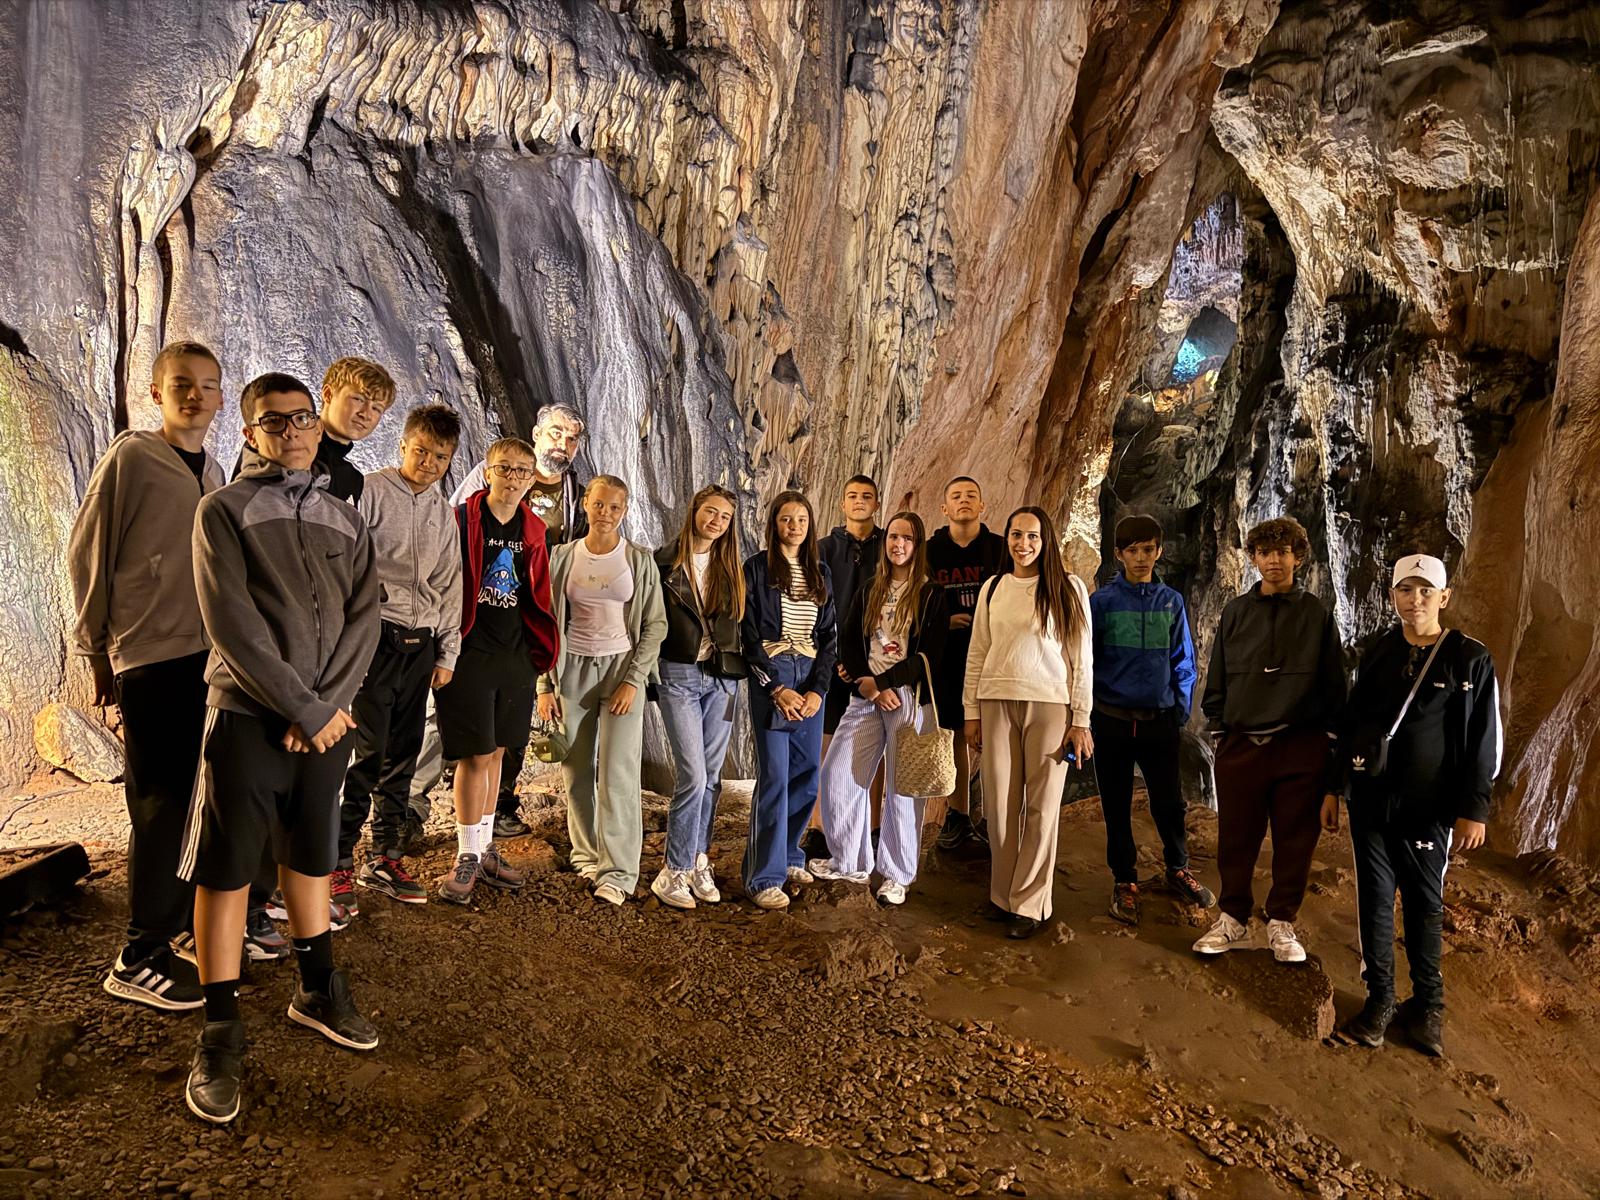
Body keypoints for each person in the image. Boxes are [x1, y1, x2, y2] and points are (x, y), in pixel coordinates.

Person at [180, 372, 382, 1125]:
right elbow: (231, 622)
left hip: (325, 721)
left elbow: (366, 615)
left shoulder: (345, 517)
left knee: (312, 853)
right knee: (229, 867)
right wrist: (301, 705)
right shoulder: (222, 511)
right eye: (275, 422)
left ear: (316, 427)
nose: (292, 432)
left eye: (302, 419)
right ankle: (220, 1030)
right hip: (246, 716)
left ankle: (317, 988)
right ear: (250, 433)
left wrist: (326, 707)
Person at [69, 340, 226, 1012]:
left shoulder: (212, 469)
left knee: (194, 797)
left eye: (207, 385)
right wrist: (95, 649)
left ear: (221, 398)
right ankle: (138, 954)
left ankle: (176, 926)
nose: (194, 395)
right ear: (157, 392)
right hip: (150, 654)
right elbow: (90, 550)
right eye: (181, 383)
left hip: (205, 657)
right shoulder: (132, 457)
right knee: (160, 802)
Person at [241, 357, 396, 947]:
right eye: (357, 399)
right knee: (262, 786)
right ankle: (250, 903)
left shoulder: (348, 479)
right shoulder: (277, 459)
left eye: (376, 408)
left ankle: (289, 891)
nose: (365, 414)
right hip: (274, 655)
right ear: (326, 394)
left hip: (325, 656)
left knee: (309, 789)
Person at [1327, 554, 1501, 1055]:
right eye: (1406, 589)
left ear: (1444, 597)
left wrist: (1474, 809)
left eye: (1426, 591)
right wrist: (1334, 788)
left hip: (1429, 809)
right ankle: (1380, 1000)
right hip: (1372, 802)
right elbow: (1352, 724)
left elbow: (1485, 740)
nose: (1415, 599)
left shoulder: (1469, 658)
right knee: (1374, 900)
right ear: (1392, 596)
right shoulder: (1379, 650)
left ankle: (1428, 1008)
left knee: (1425, 904)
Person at [414, 403, 588, 841]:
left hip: (521, 629)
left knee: (504, 736)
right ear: (536, 432)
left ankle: (496, 815)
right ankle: (413, 807)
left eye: (571, 438)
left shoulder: (573, 496)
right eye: (555, 433)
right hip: (469, 631)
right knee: (442, 725)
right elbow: (452, 543)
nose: (562, 444)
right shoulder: (479, 491)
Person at [1193, 516, 1346, 963]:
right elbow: (1218, 674)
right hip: (1242, 743)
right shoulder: (1235, 612)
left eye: (1282, 552)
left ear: (1298, 557)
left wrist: (1327, 743)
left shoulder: (1316, 615)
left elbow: (1334, 683)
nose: (1273, 560)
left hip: (1299, 743)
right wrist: (1220, 727)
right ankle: (1233, 918)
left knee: (1295, 839)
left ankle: (1281, 921)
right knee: (1236, 837)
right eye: (1264, 552)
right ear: (1253, 558)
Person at [333, 405, 463, 906]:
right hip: (374, 637)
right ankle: (338, 860)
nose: (429, 463)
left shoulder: (442, 512)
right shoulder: (369, 491)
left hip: (420, 641)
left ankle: (385, 856)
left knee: (403, 753)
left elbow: (450, 583)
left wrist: (447, 652)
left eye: (440, 457)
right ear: (403, 445)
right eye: (422, 451)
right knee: (365, 752)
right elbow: (346, 563)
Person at [432, 437, 559, 906]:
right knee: (474, 753)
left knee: (500, 751)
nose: (513, 477)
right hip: (469, 650)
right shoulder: (462, 520)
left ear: (531, 479)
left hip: (514, 653)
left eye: (522, 471)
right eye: (504, 468)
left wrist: (538, 656)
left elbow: (537, 592)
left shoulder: (533, 529)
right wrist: (442, 651)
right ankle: (466, 853)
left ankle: (484, 847)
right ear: (487, 473)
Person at [964, 506, 1094, 939]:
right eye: (1016, 535)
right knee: (999, 804)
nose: (1023, 544)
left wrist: (1081, 720)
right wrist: (970, 711)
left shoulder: (1067, 588)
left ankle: (1030, 903)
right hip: (996, 700)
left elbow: (1081, 658)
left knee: (1042, 805)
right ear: (1007, 539)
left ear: (1046, 540)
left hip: (1050, 704)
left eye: (1032, 536)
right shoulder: (993, 588)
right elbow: (978, 652)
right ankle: (1002, 896)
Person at [538, 476, 666, 905]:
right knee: (575, 768)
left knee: (618, 773)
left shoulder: (638, 561)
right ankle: (586, 854)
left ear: (624, 511)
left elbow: (655, 625)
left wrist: (634, 680)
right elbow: (546, 623)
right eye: (598, 504)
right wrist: (544, 685)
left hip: (620, 670)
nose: (605, 513)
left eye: (614, 507)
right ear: (585, 505)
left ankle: (619, 872)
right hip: (571, 668)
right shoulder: (562, 557)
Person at [811, 512, 949, 905]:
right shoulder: (871, 587)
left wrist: (886, 683)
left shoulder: (931, 593)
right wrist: (868, 684)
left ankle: (897, 874)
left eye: (907, 538)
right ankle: (850, 861)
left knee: (903, 789)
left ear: (917, 545)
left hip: (908, 696)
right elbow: (849, 637)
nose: (898, 544)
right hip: (866, 694)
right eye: (893, 537)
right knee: (838, 772)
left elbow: (930, 655)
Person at [1089, 513, 1210, 924]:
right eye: (1133, 550)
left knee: (1169, 802)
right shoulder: (1102, 604)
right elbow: (1087, 661)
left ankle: (1178, 867)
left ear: (1159, 552)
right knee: (1116, 803)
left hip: (1159, 719)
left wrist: (1179, 710)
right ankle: (1124, 880)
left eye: (1148, 549)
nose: (1140, 557)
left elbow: (1183, 660)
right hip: (1112, 719)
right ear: (1118, 554)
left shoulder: (1170, 602)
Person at [649, 485, 747, 910]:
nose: (716, 521)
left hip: (723, 680)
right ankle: (672, 871)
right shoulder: (663, 563)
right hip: (679, 675)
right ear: (694, 511)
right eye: (711, 512)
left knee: (712, 777)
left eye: (725, 517)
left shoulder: (731, 568)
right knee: (692, 775)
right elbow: (648, 621)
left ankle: (697, 860)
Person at [741, 491, 838, 911]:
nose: (794, 526)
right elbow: (747, 633)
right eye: (786, 519)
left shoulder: (820, 571)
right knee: (776, 777)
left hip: (810, 673)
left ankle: (789, 855)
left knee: (807, 774)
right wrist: (776, 689)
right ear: (774, 524)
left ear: (810, 524)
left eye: (801, 519)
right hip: (775, 674)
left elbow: (829, 636)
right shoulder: (757, 568)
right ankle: (763, 877)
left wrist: (818, 690)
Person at [926, 477, 1008, 851]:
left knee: (994, 735)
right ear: (945, 508)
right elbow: (914, 600)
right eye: (956, 496)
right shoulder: (930, 552)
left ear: (982, 506)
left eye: (971, 496)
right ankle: (957, 814)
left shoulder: (999, 549)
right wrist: (942, 622)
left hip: (993, 656)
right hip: (948, 657)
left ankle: (992, 816)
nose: (964, 501)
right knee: (955, 734)